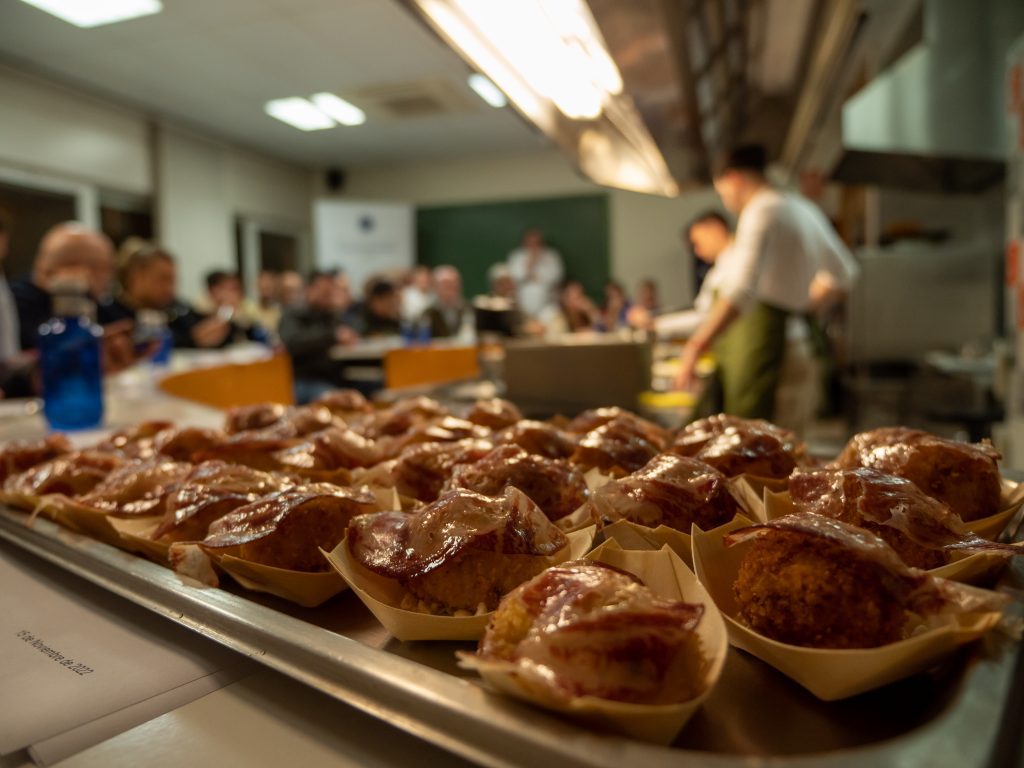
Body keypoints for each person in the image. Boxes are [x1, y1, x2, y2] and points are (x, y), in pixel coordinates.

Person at [674, 145, 858, 422]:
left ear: (734, 179)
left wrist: (696, 347)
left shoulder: (760, 210)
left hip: (771, 356)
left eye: (723, 193)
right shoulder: (803, 208)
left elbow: (741, 290)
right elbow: (846, 274)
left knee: (762, 453)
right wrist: (803, 305)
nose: (726, 202)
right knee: (789, 449)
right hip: (800, 349)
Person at [10, 222, 120, 351]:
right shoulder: (15, 303)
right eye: (106, 268)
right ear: (81, 269)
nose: (110, 277)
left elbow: (124, 327)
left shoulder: (90, 300)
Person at [111, 243, 234, 349]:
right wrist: (193, 340)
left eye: (173, 281)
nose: (170, 288)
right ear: (136, 276)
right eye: (162, 279)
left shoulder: (177, 308)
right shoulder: (111, 314)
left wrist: (220, 326)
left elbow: (200, 326)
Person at [278, 270, 359, 404]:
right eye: (324, 292)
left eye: (330, 292)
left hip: (336, 377)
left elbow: (350, 331)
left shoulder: (331, 314)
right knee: (336, 399)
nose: (327, 296)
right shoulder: (293, 314)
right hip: (305, 379)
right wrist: (332, 336)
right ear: (309, 289)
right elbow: (293, 342)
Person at [507, 228, 563, 320]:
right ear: (524, 243)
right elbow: (513, 278)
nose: (534, 246)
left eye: (537, 243)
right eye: (530, 243)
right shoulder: (516, 256)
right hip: (522, 306)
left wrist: (538, 277)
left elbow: (557, 276)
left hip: (547, 306)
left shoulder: (551, 256)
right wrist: (530, 264)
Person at [421, 265, 471, 339]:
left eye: (455, 284)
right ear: (435, 287)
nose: (452, 289)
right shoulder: (428, 314)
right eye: (447, 285)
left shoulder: (469, 310)